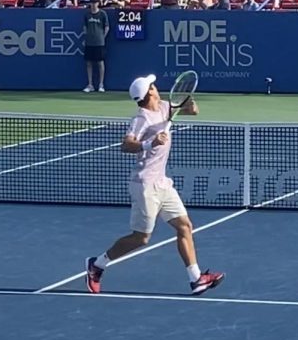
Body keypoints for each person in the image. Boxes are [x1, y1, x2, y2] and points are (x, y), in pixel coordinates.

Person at [85, 75, 225, 296]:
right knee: (141, 238)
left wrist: (187, 99)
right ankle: (97, 265)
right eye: (153, 85)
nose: (156, 87)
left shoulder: (164, 106)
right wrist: (150, 143)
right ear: (149, 92)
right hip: (145, 185)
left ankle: (196, 279)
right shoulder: (141, 119)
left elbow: (193, 110)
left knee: (184, 226)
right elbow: (126, 145)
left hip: (162, 183)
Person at [82, 0, 108, 93]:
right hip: (89, 42)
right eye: (92, 3)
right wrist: (86, 37)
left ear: (98, 3)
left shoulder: (102, 14)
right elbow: (85, 27)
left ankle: (101, 84)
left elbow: (107, 27)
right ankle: (90, 84)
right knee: (89, 63)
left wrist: (102, 37)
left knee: (100, 63)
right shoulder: (87, 15)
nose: (93, 4)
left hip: (99, 42)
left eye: (95, 3)